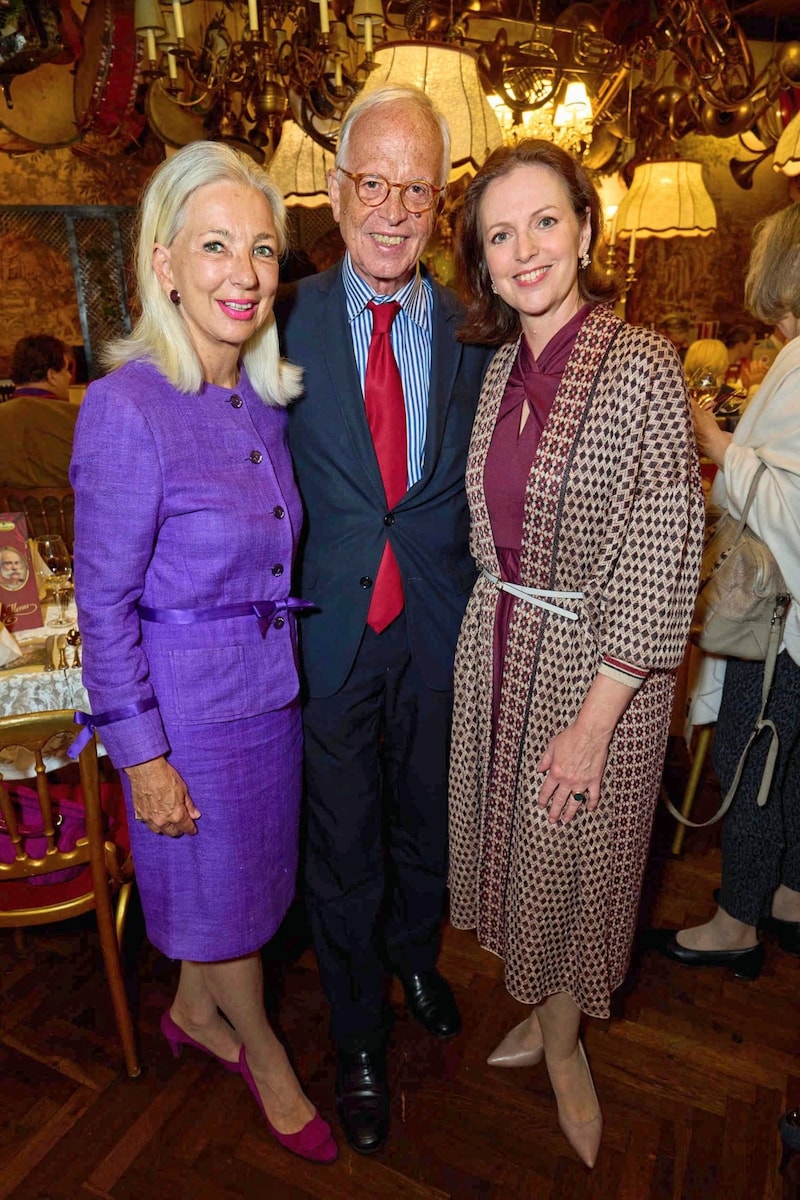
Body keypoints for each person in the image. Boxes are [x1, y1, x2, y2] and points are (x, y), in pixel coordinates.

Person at [69, 141, 337, 1165]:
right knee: (224, 909)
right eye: (215, 245)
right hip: (184, 715)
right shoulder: (125, 407)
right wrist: (142, 756)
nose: (244, 271)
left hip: (269, 701)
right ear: (164, 261)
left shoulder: (263, 401)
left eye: (262, 248)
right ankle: (261, 1052)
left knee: (244, 900)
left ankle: (191, 1010)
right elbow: (103, 607)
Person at [447, 139, 704, 1168]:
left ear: (585, 230)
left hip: (601, 676)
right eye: (499, 234)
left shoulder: (640, 362)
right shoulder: (501, 363)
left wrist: (592, 728)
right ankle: (544, 1019)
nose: (524, 249)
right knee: (524, 867)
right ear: (481, 262)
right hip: (506, 648)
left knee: (571, 873)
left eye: (543, 221)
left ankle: (565, 1049)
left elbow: (660, 556)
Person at [277, 85, 489, 1155]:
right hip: (328, 636)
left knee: (424, 823)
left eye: (418, 186)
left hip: (436, 631)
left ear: (440, 200)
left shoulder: (471, 325)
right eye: (376, 182)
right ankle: (358, 1033)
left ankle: (416, 953)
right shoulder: (279, 316)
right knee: (343, 844)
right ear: (335, 188)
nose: (395, 208)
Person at [654, 203, 800, 980]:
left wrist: (717, 448)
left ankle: (736, 920)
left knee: (751, 761)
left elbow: (790, 510)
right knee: (793, 763)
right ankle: (789, 896)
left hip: (778, 624)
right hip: (789, 623)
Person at [0, 334, 77, 489]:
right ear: (52, 376)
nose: (69, 376)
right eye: (66, 369)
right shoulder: (79, 416)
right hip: (72, 511)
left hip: (12, 512)